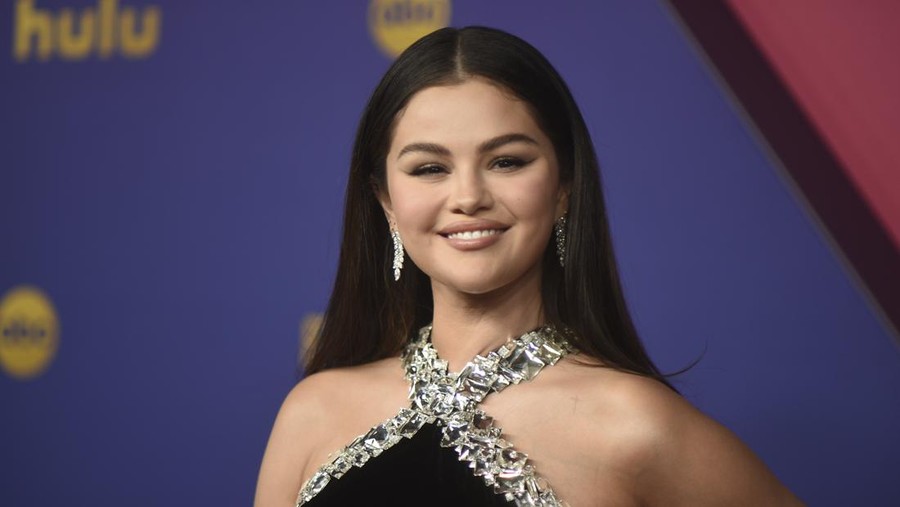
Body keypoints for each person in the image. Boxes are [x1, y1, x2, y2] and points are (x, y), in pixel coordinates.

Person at [255, 26, 802, 507]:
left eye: (506, 161)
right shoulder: (313, 412)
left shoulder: (636, 425)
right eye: (429, 168)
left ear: (563, 188)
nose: (467, 196)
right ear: (385, 202)